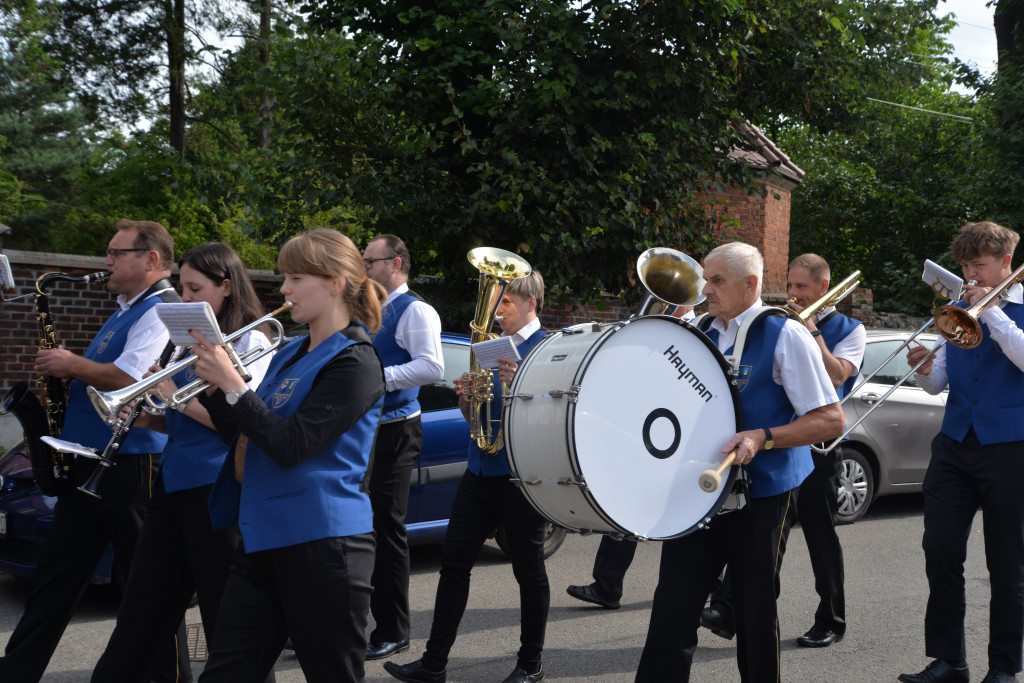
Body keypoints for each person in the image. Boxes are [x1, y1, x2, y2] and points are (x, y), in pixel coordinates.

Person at [634, 242, 845, 683]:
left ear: (750, 285)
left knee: (753, 615)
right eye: (705, 279)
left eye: (716, 281)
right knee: (672, 612)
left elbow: (830, 419)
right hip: (698, 492)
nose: (703, 289)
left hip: (763, 493)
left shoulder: (785, 334)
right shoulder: (700, 332)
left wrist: (764, 437)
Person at [190, 228, 385, 682]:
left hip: (324, 546)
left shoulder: (356, 361)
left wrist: (235, 386)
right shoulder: (291, 351)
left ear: (335, 282)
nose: (284, 290)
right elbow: (246, 431)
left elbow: (291, 445)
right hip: (263, 542)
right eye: (285, 277)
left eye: (296, 278)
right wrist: (217, 387)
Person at [0, 219, 189, 683]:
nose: (105, 262)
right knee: (57, 575)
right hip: (92, 457)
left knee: (148, 584)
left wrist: (72, 364)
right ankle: (18, 669)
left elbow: (130, 379)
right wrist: (72, 371)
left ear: (150, 260)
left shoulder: (162, 308)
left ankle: (173, 675)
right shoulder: (126, 307)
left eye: (115, 253)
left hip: (132, 460)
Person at [91, 242, 275, 682]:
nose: (186, 299)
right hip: (171, 489)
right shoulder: (184, 342)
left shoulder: (253, 340)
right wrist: (146, 417)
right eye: (183, 288)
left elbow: (238, 422)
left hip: (217, 494)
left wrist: (172, 396)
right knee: (140, 612)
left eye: (195, 289)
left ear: (226, 287)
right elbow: (181, 418)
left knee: (223, 618)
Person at [384, 271, 550, 683]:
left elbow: (554, 418)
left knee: (528, 572)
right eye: (499, 302)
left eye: (508, 302)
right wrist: (465, 399)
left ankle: (531, 665)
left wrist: (522, 387)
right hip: (479, 470)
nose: (499, 310)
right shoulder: (490, 348)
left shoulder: (548, 350)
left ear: (531, 302)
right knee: (454, 564)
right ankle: (434, 663)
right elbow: (474, 420)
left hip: (521, 477)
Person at [701, 253, 866, 648]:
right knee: (768, 542)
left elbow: (839, 375)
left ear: (823, 289)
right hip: (773, 443)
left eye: (802, 288)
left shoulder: (849, 329)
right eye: (789, 286)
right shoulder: (766, 326)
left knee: (820, 536)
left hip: (820, 445)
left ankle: (831, 616)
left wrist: (812, 332)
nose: (793, 294)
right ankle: (732, 608)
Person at [900, 221, 1024, 683]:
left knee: (1008, 562)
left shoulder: (1015, 309)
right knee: (940, 550)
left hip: (1011, 445)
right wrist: (925, 368)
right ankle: (950, 661)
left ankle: (1005, 668)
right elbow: (938, 385)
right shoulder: (956, 309)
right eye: (966, 266)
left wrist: (990, 312)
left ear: (1006, 263)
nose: (971, 275)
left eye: (980, 265)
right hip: (955, 443)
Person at [566, 303, 696, 610]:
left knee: (690, 513)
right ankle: (607, 586)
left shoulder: (700, 329)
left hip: (682, 435)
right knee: (625, 506)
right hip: (645, 429)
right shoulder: (649, 328)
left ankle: (705, 586)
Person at [362, 234, 444, 661]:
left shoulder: (415, 310)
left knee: (385, 527)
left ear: (395, 264)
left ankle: (393, 629)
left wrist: (377, 377)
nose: (364, 267)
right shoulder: (371, 306)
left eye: (369, 260)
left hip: (397, 428)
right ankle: (346, 620)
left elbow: (433, 366)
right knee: (358, 527)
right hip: (369, 428)